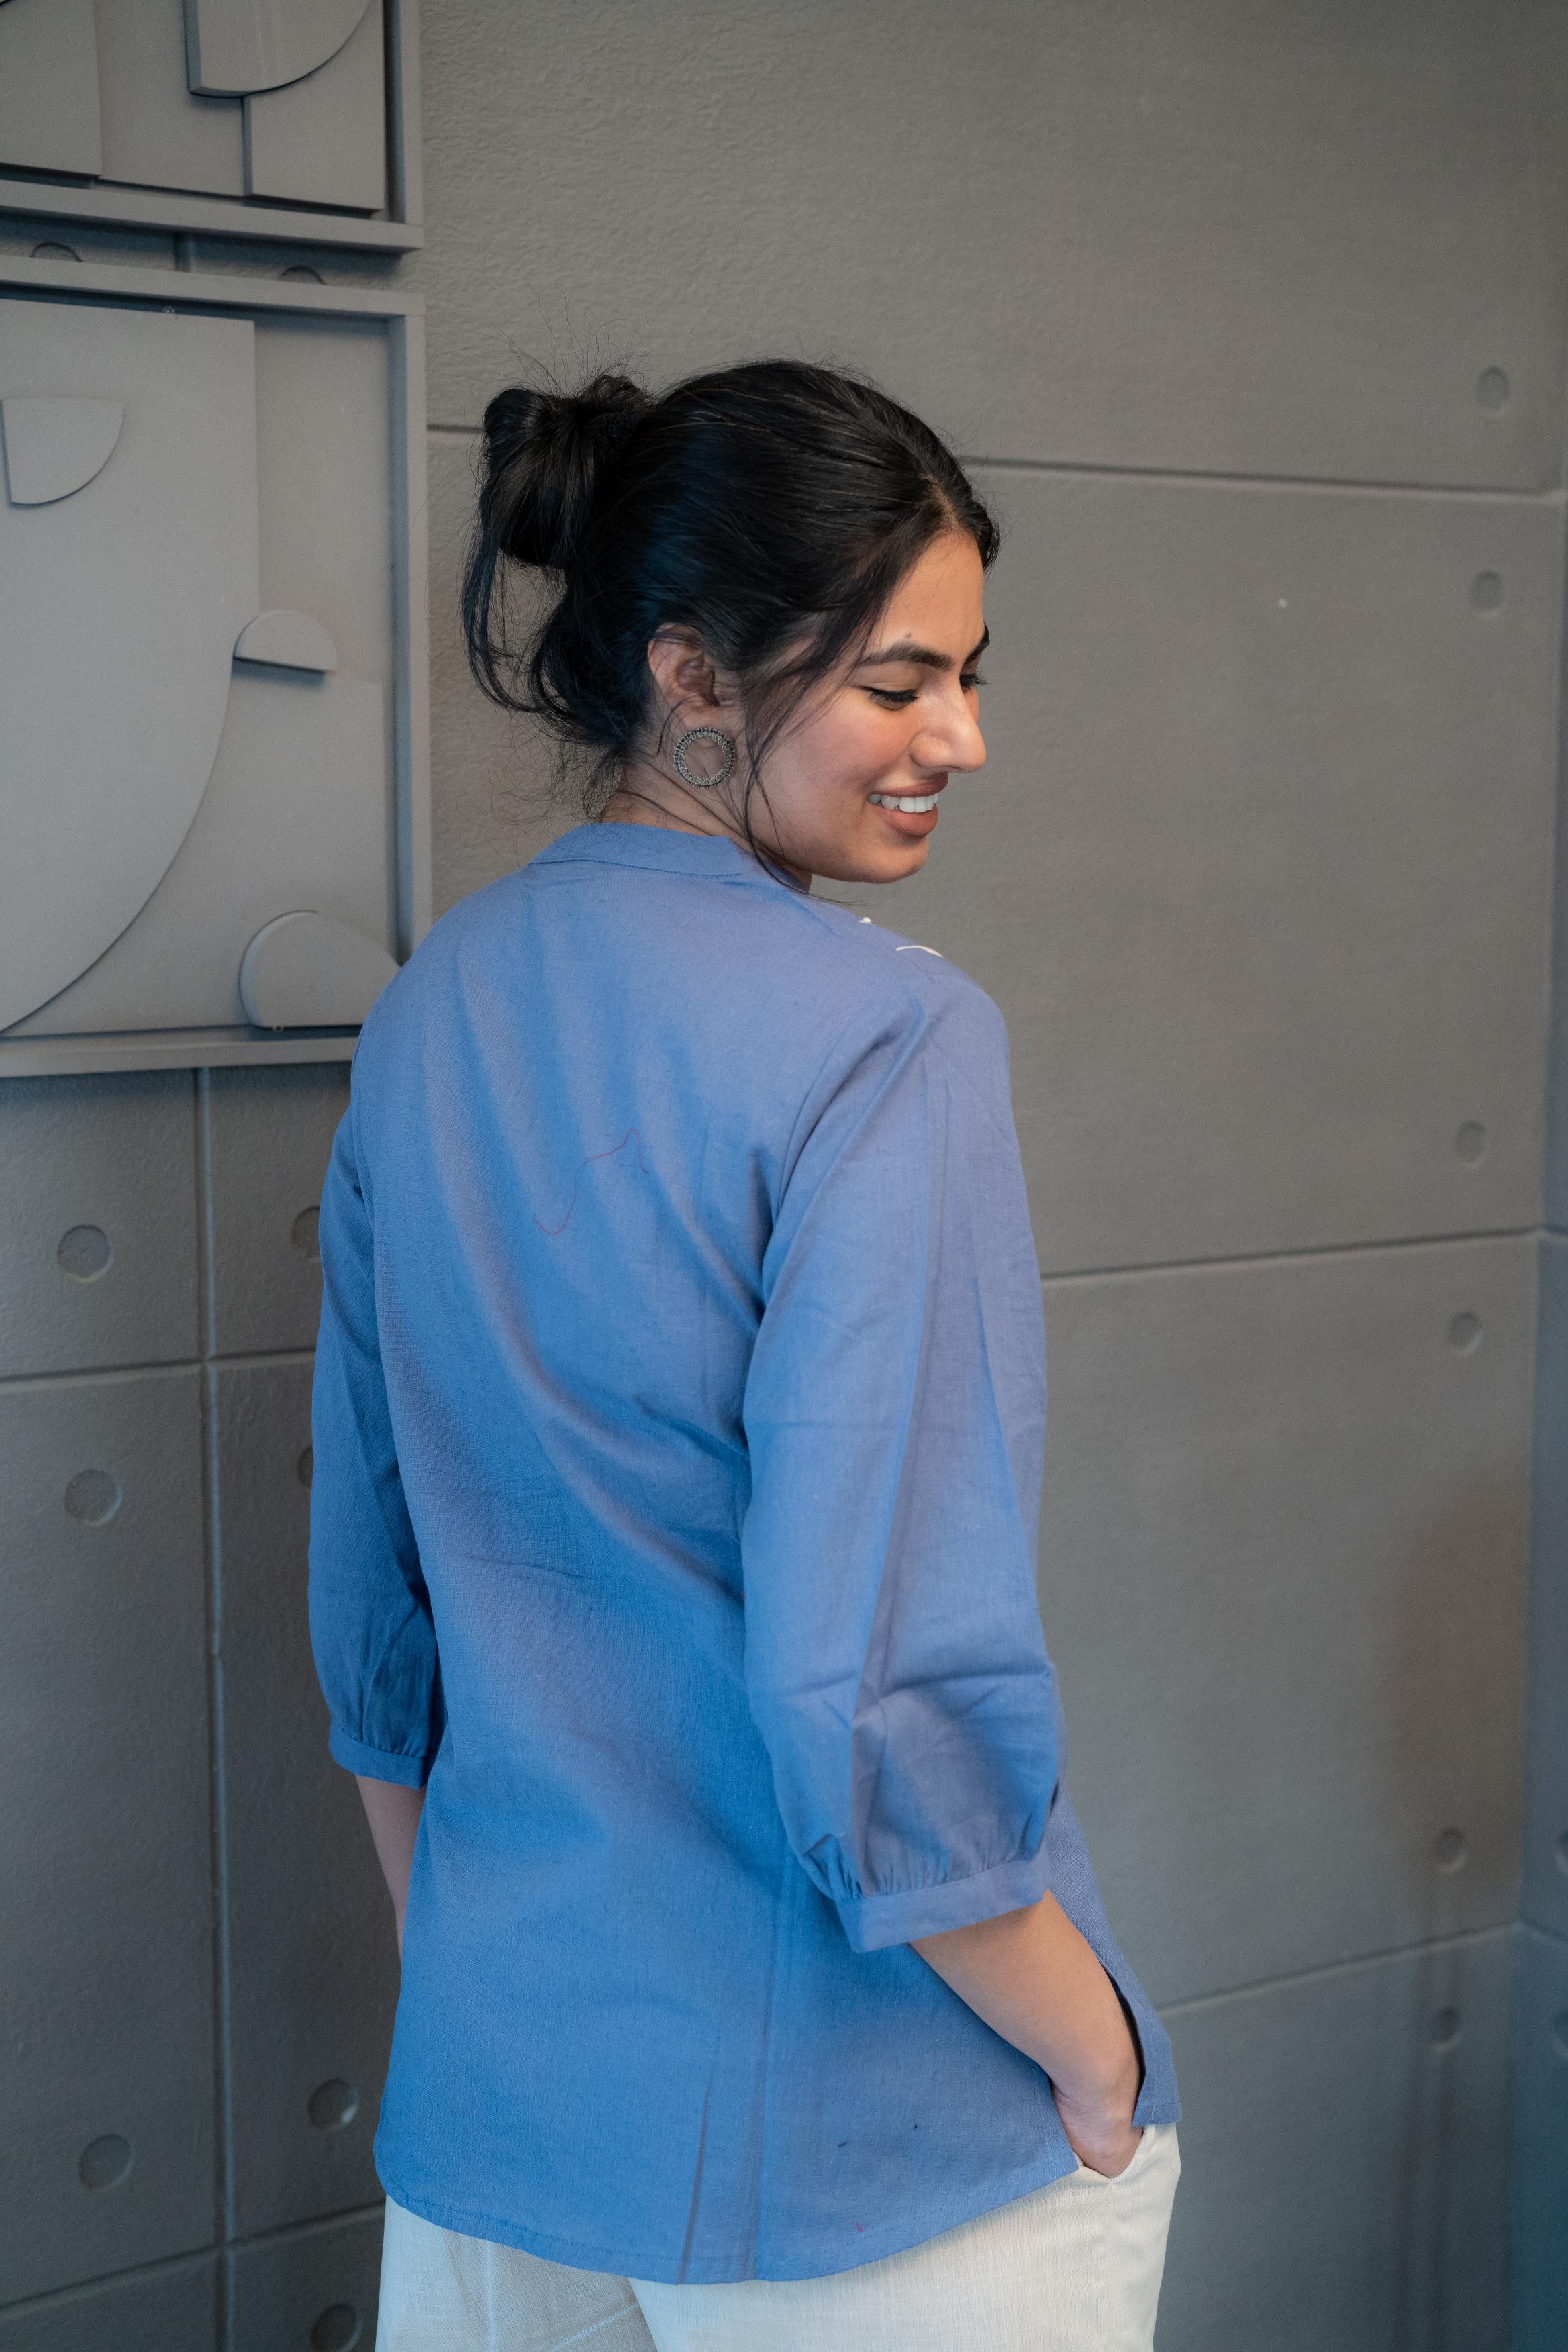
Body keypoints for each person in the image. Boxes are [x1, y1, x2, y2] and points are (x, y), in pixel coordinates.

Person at [307, 358, 1182, 2352]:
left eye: (967, 672)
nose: (963, 734)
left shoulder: (431, 1015)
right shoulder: (888, 1037)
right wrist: (1099, 2055)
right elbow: (873, 1687)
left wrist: (482, 1984)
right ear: (694, 677)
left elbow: (376, 1619)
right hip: (866, 2147)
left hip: (501, 2108)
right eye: (897, 683)